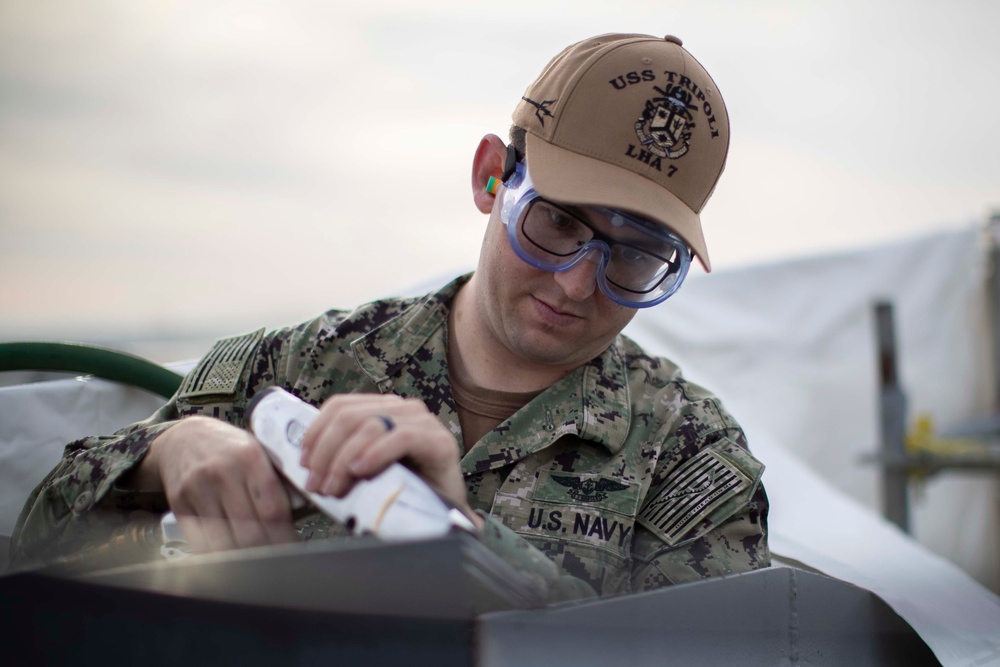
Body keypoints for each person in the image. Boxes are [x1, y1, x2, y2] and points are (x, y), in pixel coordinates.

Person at [11, 33, 768, 601]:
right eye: (558, 225)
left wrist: (461, 535)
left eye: (635, 258)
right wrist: (165, 455)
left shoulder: (688, 456)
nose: (577, 283)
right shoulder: (295, 369)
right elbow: (37, 543)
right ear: (490, 178)